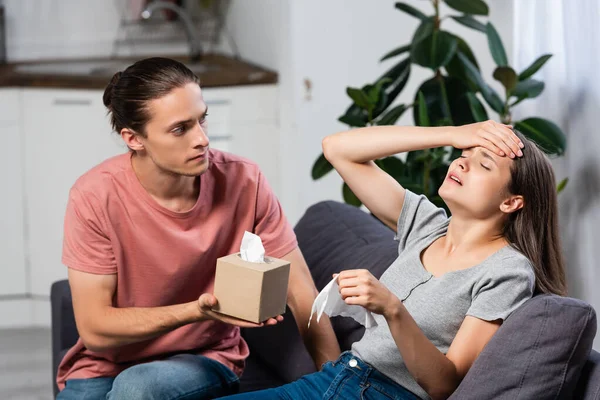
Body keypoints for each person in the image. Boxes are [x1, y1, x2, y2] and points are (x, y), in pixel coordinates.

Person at [56, 57, 341, 400]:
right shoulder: (94, 196)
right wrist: (197, 310)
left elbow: (302, 292)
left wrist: (336, 382)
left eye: (201, 120)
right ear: (133, 138)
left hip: (205, 356)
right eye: (181, 129)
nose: (202, 139)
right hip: (104, 362)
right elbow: (95, 330)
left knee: (137, 389)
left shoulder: (244, 181)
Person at [217, 120, 567, 400]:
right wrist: (454, 133)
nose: (462, 161)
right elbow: (337, 149)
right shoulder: (427, 226)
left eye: (483, 164)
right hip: (334, 378)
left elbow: (444, 385)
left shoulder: (507, 270)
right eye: (465, 154)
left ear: (511, 203)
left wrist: (392, 308)